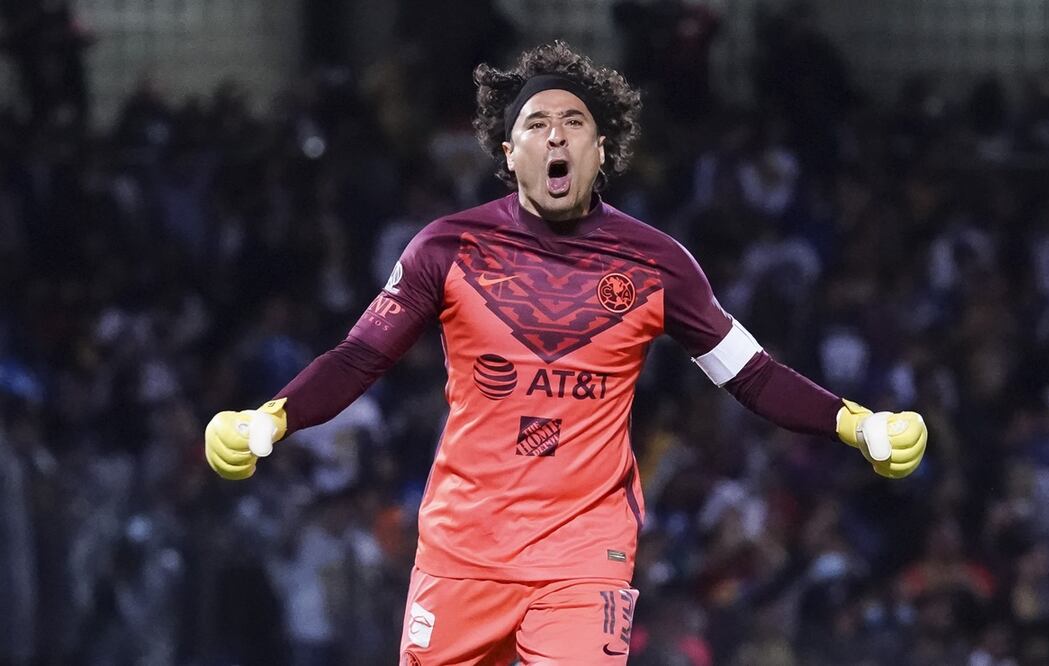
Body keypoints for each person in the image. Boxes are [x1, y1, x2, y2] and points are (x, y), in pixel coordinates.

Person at [204, 41, 928, 665]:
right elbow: (359, 356)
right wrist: (271, 420)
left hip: (584, 554)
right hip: (463, 551)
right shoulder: (445, 249)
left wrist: (856, 424)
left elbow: (753, 376)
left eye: (574, 123)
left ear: (601, 149)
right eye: (536, 124)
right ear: (507, 151)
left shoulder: (657, 265)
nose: (556, 136)